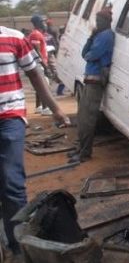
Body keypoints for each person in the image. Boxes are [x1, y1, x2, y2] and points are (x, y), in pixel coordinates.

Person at [0, 26, 69, 258]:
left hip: (9, 118)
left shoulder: (14, 38)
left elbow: (34, 73)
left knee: (11, 182)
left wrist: (56, 109)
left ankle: (19, 244)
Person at [68, 8, 115, 163]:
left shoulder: (107, 35)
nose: (98, 23)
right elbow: (85, 54)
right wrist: (91, 37)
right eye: (97, 20)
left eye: (100, 20)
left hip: (96, 80)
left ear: (107, 22)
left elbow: (91, 55)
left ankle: (85, 152)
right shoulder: (100, 35)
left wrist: (90, 52)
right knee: (83, 117)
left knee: (88, 118)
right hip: (90, 79)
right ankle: (81, 148)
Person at [27, 14, 52, 116]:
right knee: (45, 86)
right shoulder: (36, 34)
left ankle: (39, 107)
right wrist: (46, 67)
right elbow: (37, 51)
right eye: (43, 22)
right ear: (38, 23)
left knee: (40, 86)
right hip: (38, 64)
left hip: (38, 63)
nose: (45, 24)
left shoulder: (37, 34)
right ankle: (46, 108)